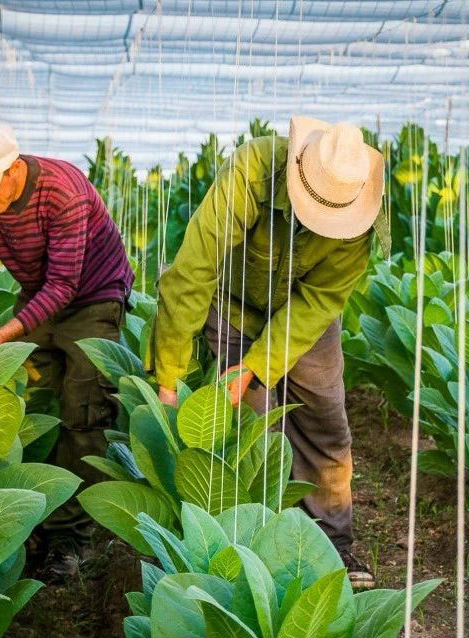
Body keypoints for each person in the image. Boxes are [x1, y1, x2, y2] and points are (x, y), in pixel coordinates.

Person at [151, 116, 384, 589]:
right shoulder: (252, 170)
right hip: (233, 307)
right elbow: (194, 270)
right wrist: (168, 377)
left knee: (324, 421)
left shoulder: (364, 211)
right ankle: (259, 548)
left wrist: (257, 365)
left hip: (305, 318)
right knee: (253, 429)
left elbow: (318, 301)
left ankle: (333, 545)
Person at [0, 124, 133, 579]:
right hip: (38, 295)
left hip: (94, 295)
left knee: (85, 410)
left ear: (12, 169)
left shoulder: (62, 191)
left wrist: (5, 333)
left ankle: (70, 537)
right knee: (31, 405)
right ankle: (28, 515)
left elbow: (65, 284)